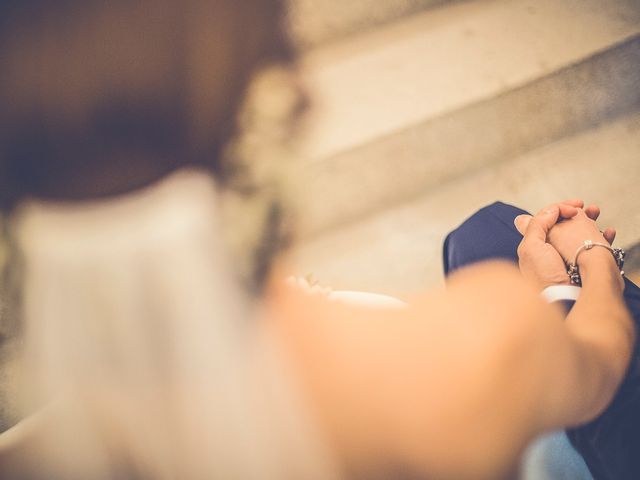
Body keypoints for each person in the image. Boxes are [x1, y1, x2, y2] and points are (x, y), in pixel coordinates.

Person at [0, 1, 635, 478]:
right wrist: (582, 268)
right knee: (490, 237)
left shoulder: (43, 447)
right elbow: (604, 356)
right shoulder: (482, 341)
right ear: (276, 122)